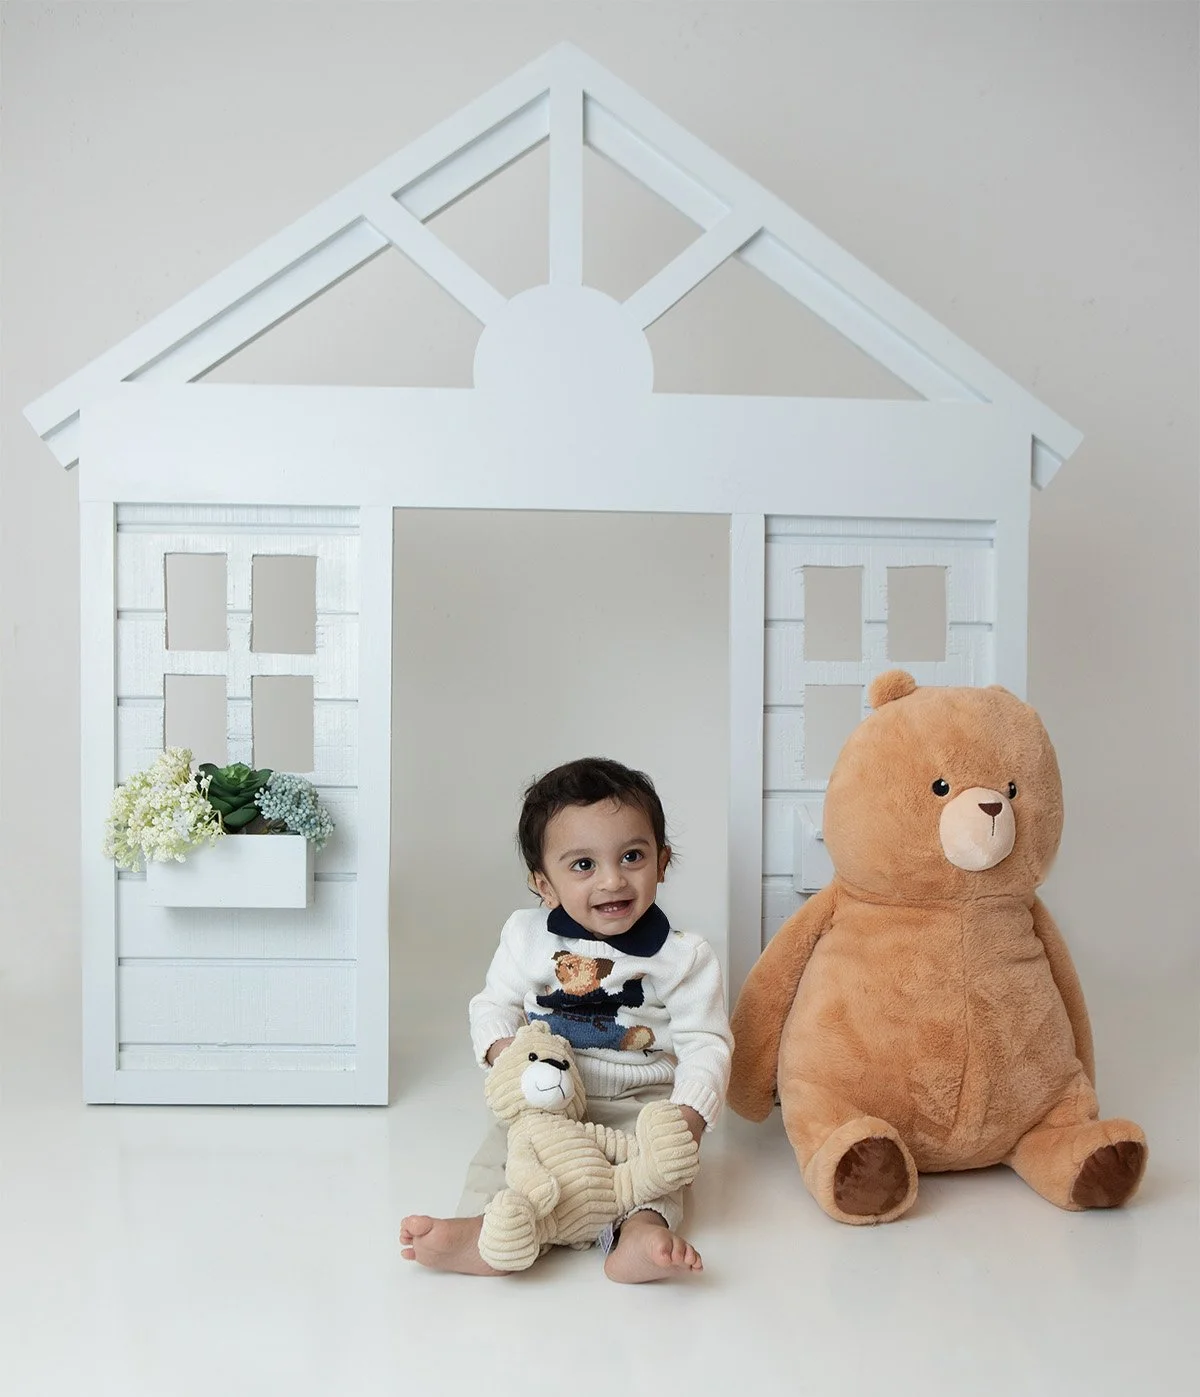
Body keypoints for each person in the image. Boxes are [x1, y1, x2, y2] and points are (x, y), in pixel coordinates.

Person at [400, 756, 733, 1282]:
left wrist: (685, 1119)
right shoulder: (526, 937)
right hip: (544, 1102)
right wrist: (510, 1058)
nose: (612, 880)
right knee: (503, 1155)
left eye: (632, 856)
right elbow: (493, 1005)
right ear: (545, 884)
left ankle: (638, 1232)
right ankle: (488, 1231)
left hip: (635, 1102)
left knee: (655, 1174)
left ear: (662, 861)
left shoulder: (682, 958)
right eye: (583, 865)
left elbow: (706, 1044)